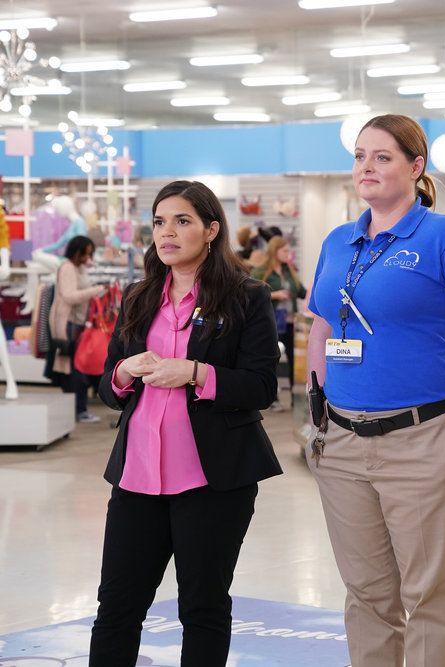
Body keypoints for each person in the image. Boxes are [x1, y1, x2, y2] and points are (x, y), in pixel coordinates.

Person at [306, 114, 445, 666]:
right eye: (359, 156)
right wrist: (315, 411)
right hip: (343, 441)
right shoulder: (339, 241)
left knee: (430, 596)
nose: (366, 167)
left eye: (382, 156)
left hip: (424, 436)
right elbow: (322, 328)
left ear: (417, 168)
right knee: (366, 595)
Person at [89, 180, 283, 667]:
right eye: (159, 222)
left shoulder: (246, 297)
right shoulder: (138, 297)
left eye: (182, 221)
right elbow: (108, 392)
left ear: (211, 230)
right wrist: (122, 372)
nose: (167, 232)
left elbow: (262, 387)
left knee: (203, 608)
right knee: (117, 608)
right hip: (137, 479)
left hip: (212, 480)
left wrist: (197, 374)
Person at [49, 235, 105, 423]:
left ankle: (76, 410)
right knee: (75, 368)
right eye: (85, 254)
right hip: (68, 323)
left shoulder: (78, 268)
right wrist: (95, 290)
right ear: (77, 252)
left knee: (75, 367)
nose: (87, 257)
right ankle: (78, 410)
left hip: (78, 323)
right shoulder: (67, 268)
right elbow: (69, 296)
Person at [252, 235, 307, 411]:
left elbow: (301, 292)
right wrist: (275, 295)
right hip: (271, 320)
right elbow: (251, 293)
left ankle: (293, 396)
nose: (288, 254)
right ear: (275, 252)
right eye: (284, 251)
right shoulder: (261, 271)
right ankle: (272, 398)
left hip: (290, 320)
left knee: (292, 359)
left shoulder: (289, 271)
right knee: (272, 359)